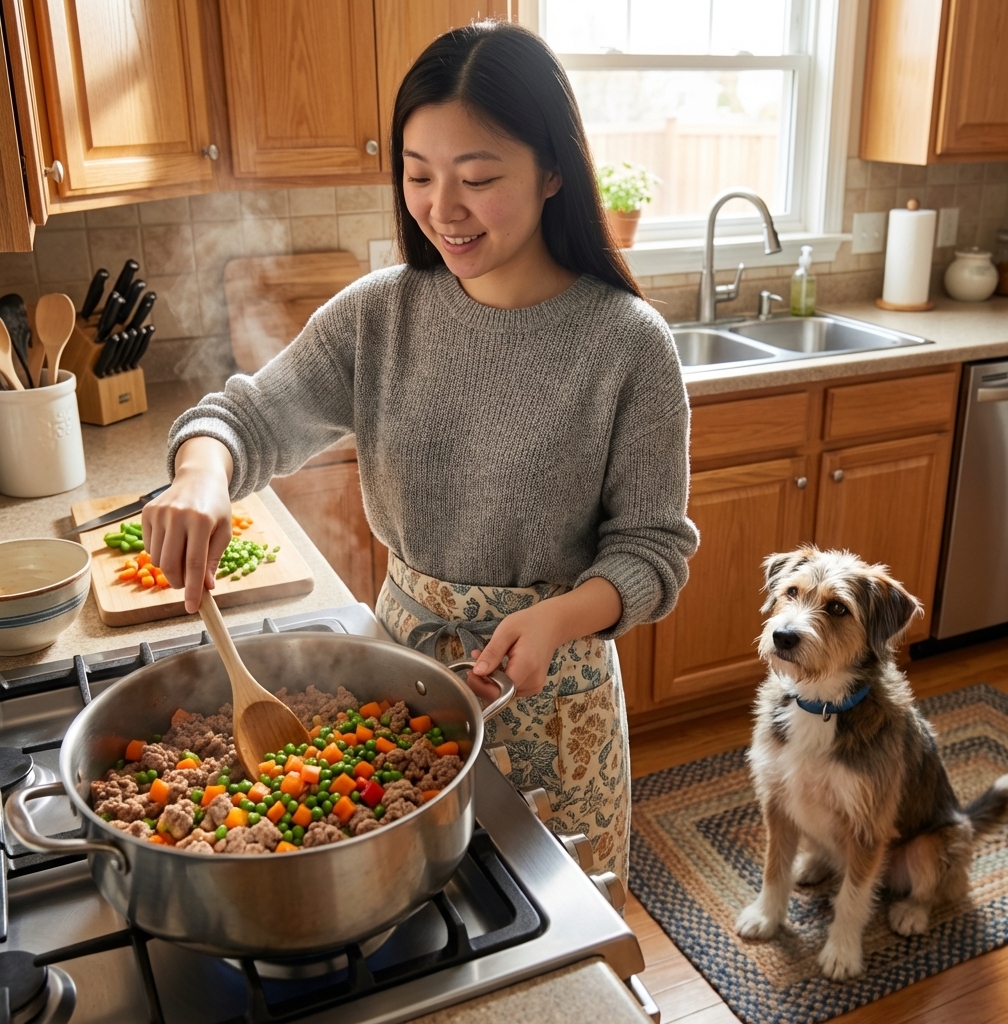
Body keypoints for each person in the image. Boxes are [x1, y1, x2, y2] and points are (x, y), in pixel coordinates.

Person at [144, 20, 698, 884]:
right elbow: (247, 418)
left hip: (555, 696)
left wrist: (557, 618)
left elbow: (653, 550)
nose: (442, 207)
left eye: (477, 177)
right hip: (400, 685)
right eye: (417, 174)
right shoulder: (380, 315)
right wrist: (201, 472)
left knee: (559, 949)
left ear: (554, 171)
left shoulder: (628, 344)